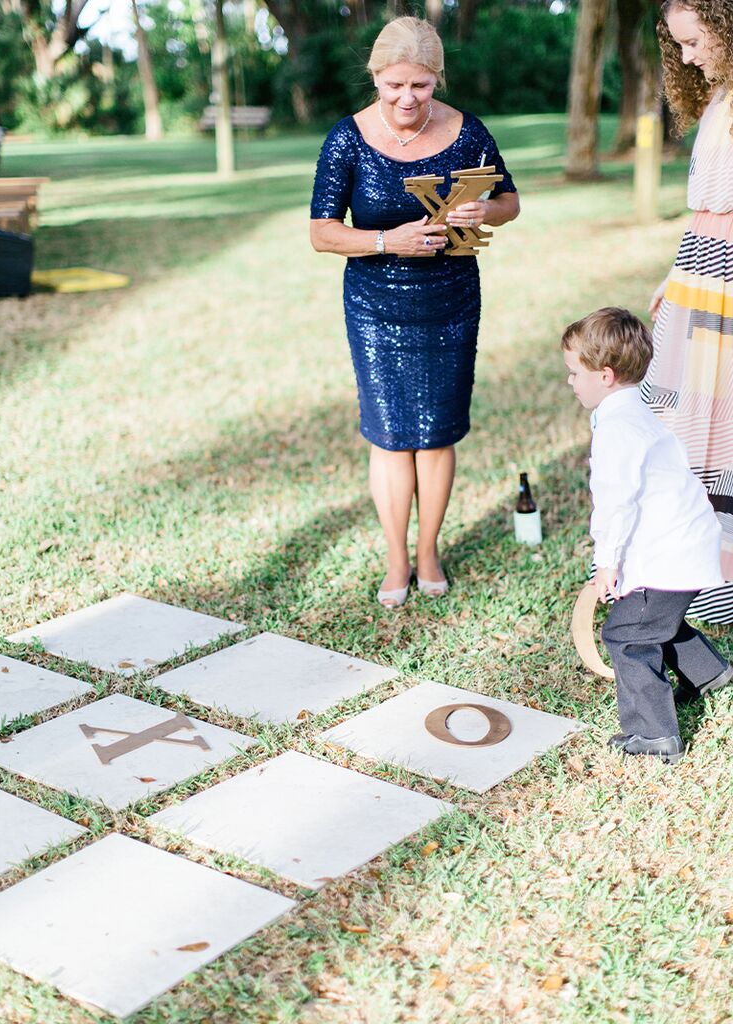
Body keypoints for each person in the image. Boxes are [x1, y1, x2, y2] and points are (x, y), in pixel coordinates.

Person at [310, 16, 520, 608]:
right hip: (375, 304)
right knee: (390, 435)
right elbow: (322, 234)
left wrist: (486, 213)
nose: (407, 98)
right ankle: (396, 558)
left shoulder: (467, 130)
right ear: (375, 77)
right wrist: (387, 242)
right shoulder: (346, 139)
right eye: (394, 85)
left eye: (421, 86)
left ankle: (429, 550)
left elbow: (510, 199)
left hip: (451, 298)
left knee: (437, 433)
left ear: (436, 80)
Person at [562, 308, 731, 764]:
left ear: (605, 374)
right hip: (686, 541)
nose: (571, 382)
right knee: (661, 620)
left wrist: (608, 562)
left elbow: (616, 501)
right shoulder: (637, 410)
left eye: (575, 373)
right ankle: (710, 674)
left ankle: (653, 735)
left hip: (669, 551)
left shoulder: (617, 428)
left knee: (629, 634)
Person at [643, 0, 733, 623]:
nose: (689, 56)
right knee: (684, 419)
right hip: (700, 276)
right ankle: (694, 570)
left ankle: (721, 579)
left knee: (721, 420)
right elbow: (707, 213)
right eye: (679, 45)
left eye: (697, 40)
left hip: (727, 284)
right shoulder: (718, 100)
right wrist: (676, 274)